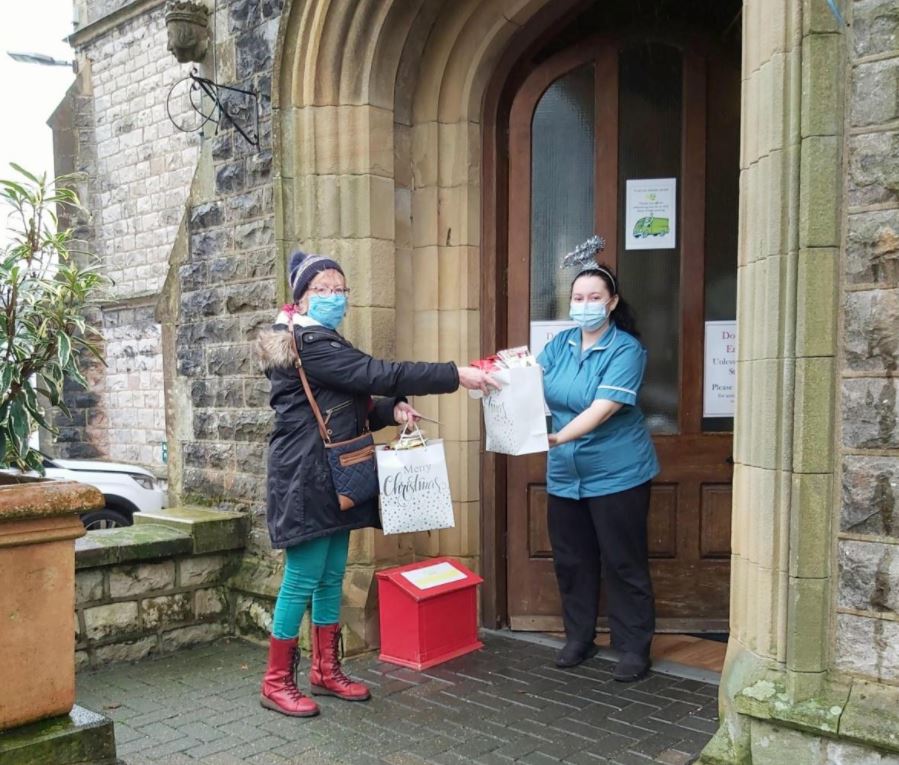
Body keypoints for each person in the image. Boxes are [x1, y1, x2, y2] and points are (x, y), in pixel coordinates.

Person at [254, 250, 496, 717]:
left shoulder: (325, 341)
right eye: (321, 289)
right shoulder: (307, 343)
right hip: (305, 476)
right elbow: (378, 373)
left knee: (330, 575)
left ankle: (326, 670)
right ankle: (276, 681)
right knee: (302, 577)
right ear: (299, 299)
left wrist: (390, 411)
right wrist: (455, 375)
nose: (334, 296)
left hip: (336, 472)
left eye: (340, 289)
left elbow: (352, 400)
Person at [537, 264, 660, 682]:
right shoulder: (560, 344)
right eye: (578, 298)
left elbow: (603, 408)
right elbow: (526, 381)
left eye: (594, 298)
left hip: (617, 473)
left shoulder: (626, 350)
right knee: (572, 560)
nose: (585, 305)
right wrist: (492, 380)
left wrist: (556, 438)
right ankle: (580, 637)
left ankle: (633, 646)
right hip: (566, 475)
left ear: (612, 302)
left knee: (623, 562)